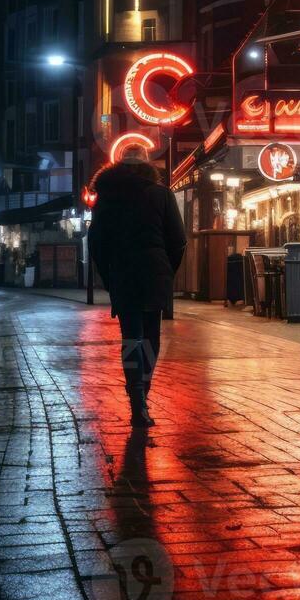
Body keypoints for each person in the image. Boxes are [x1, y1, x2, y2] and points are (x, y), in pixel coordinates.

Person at [88, 147, 187, 427]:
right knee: (151, 338)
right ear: (147, 165)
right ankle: (143, 392)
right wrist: (167, 269)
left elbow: (96, 243)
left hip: (123, 270)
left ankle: (137, 399)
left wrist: (109, 276)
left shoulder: (107, 197)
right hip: (155, 269)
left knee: (131, 336)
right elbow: (178, 240)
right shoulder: (162, 194)